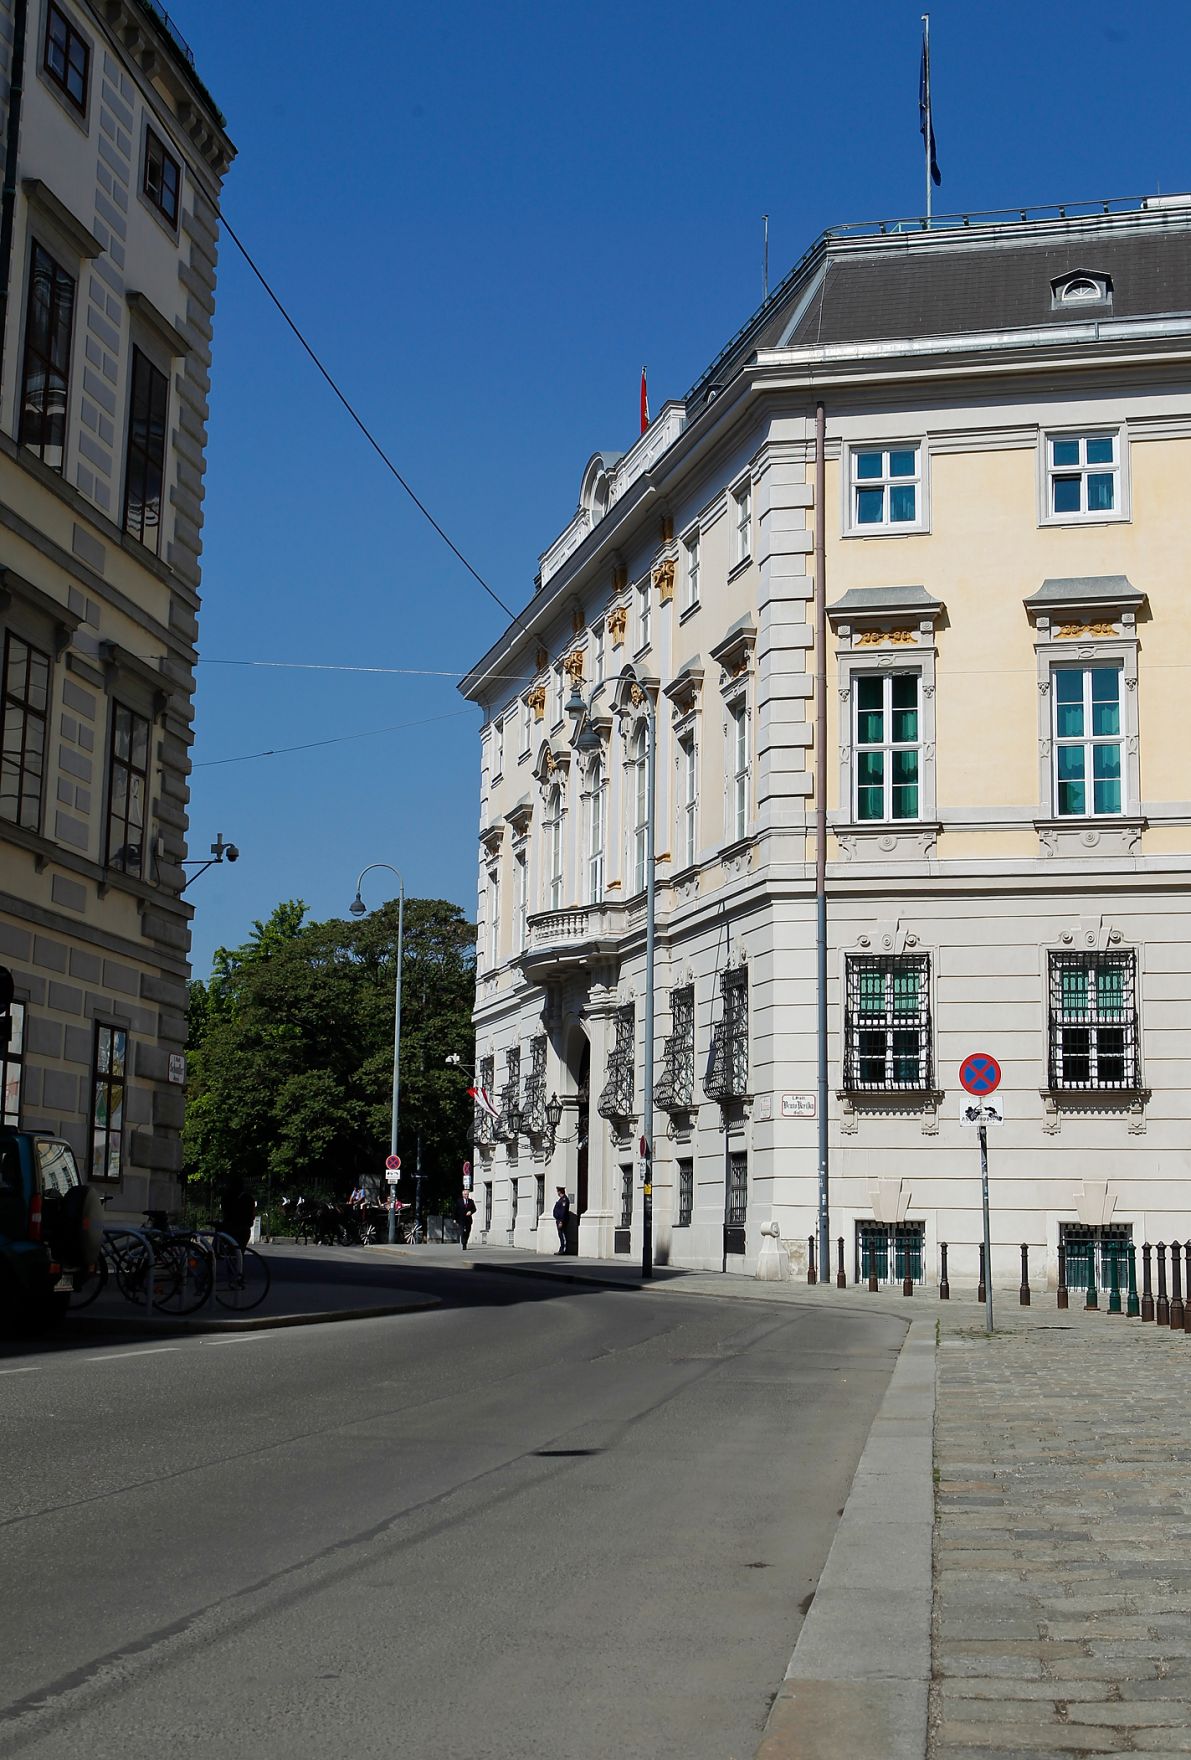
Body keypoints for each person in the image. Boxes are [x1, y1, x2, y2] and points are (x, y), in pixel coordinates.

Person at [552, 1186, 570, 1255]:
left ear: (560, 1192)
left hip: (561, 1221)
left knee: (562, 1235)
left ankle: (563, 1250)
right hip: (559, 1220)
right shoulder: (561, 1199)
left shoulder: (564, 1200)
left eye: (558, 1191)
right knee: (560, 1235)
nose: (557, 1192)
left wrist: (561, 1221)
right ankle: (561, 1249)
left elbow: (563, 1211)